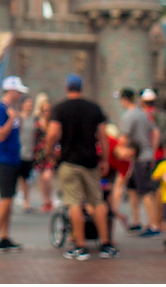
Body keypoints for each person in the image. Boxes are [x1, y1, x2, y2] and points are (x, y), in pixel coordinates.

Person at [45, 73, 119, 260]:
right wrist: (104, 159)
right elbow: (102, 135)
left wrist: (49, 153)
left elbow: (53, 134)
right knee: (98, 202)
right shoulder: (94, 108)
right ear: (81, 88)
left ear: (67, 88)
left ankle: (80, 246)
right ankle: (106, 245)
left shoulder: (60, 108)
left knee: (74, 202)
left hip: (69, 161)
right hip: (90, 162)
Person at [0, 76, 28, 253]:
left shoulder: (10, 109)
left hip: (12, 159)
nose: (20, 95)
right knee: (5, 199)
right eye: (18, 91)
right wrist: (11, 120)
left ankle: (3, 236)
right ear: (11, 91)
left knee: (8, 200)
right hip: (3, 160)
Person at [117, 88, 161, 238]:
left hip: (140, 158)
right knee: (132, 189)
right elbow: (155, 132)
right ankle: (136, 221)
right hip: (144, 156)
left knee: (146, 191)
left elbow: (124, 138)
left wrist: (116, 150)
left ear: (124, 99)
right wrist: (152, 151)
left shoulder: (129, 116)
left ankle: (154, 225)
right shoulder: (142, 113)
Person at [32, 94, 57, 212]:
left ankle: (50, 199)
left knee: (47, 176)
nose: (46, 112)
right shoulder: (37, 121)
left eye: (48, 110)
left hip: (50, 151)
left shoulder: (53, 122)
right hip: (39, 152)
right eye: (44, 110)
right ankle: (46, 200)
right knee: (42, 178)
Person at [17, 96, 36, 213]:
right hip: (19, 152)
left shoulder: (33, 119)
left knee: (26, 178)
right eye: (28, 104)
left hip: (29, 153)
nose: (30, 106)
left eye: (31, 104)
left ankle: (26, 201)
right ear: (22, 105)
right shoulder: (19, 118)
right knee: (16, 177)